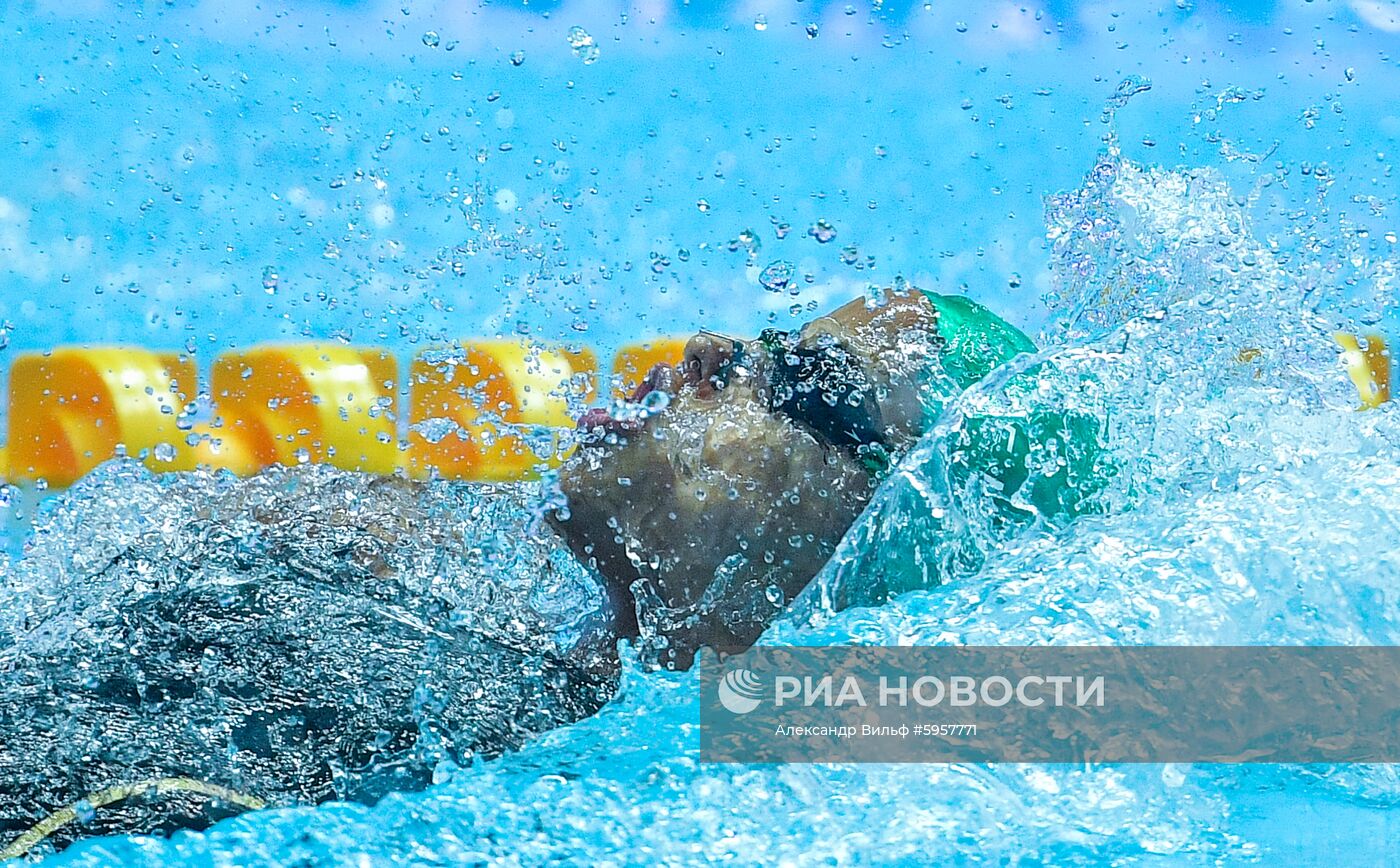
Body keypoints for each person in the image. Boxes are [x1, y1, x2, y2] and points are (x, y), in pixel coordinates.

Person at [0, 285, 1102, 855]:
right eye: (767, 335)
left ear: (857, 534)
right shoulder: (465, 641)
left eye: (802, 373)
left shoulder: (544, 798)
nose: (718, 347)